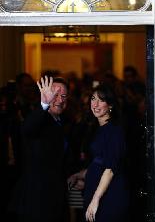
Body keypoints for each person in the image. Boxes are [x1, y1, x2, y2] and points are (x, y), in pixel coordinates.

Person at [8, 76, 69, 222]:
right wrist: (44, 104)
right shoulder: (39, 120)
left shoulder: (63, 121)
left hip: (56, 198)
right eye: (55, 95)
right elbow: (27, 129)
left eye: (64, 96)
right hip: (37, 200)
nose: (60, 100)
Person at [69, 83, 130, 222]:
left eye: (101, 100)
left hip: (109, 195)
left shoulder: (114, 131)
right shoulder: (98, 128)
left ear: (110, 105)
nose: (95, 104)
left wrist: (95, 200)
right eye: (93, 98)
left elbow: (110, 169)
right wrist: (80, 174)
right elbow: (99, 162)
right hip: (95, 189)